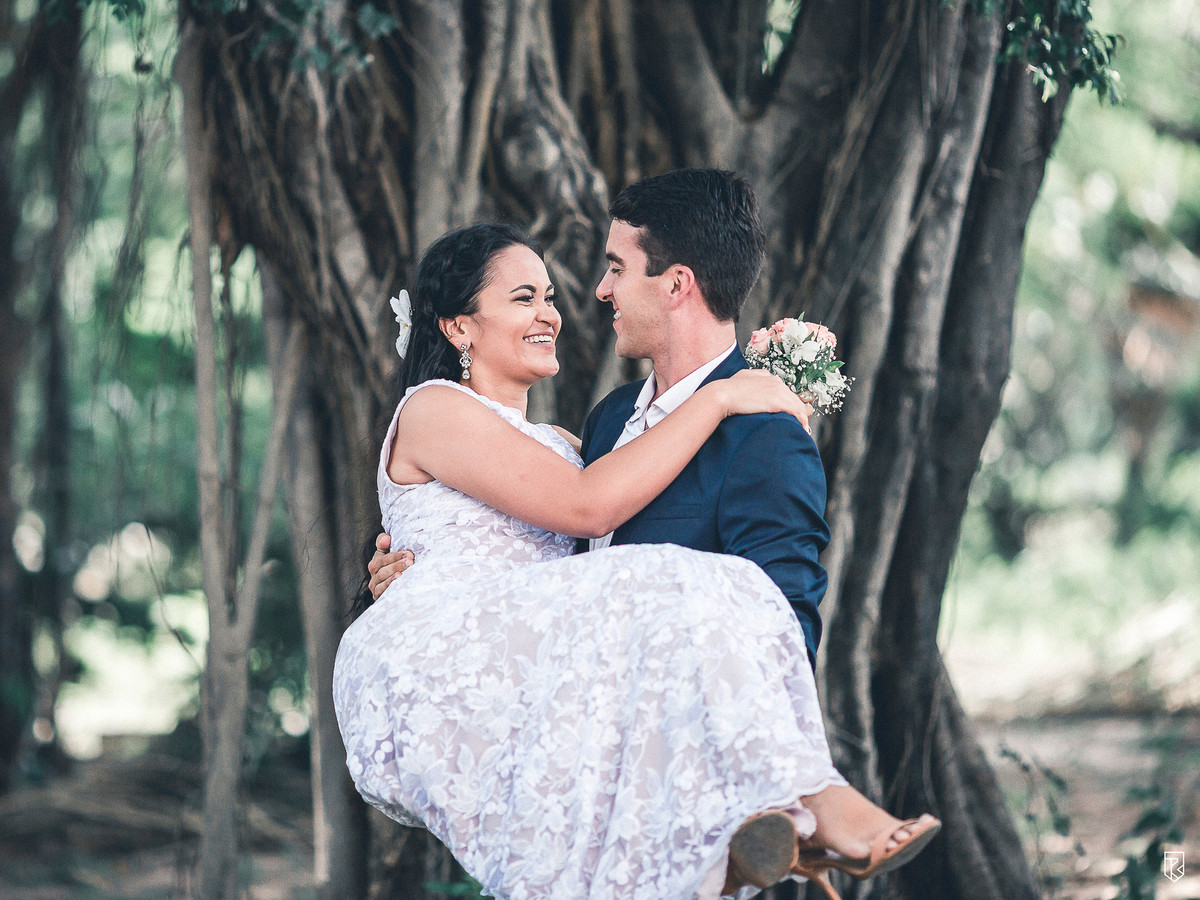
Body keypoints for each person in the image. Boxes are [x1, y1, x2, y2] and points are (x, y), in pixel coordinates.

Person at [335, 215, 939, 900]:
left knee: (710, 605)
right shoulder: (435, 409)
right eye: (522, 298)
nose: (551, 313)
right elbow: (590, 509)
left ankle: (741, 842)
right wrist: (720, 396)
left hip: (537, 670)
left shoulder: (575, 439)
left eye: (549, 297)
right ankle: (817, 798)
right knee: (671, 580)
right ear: (458, 328)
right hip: (441, 662)